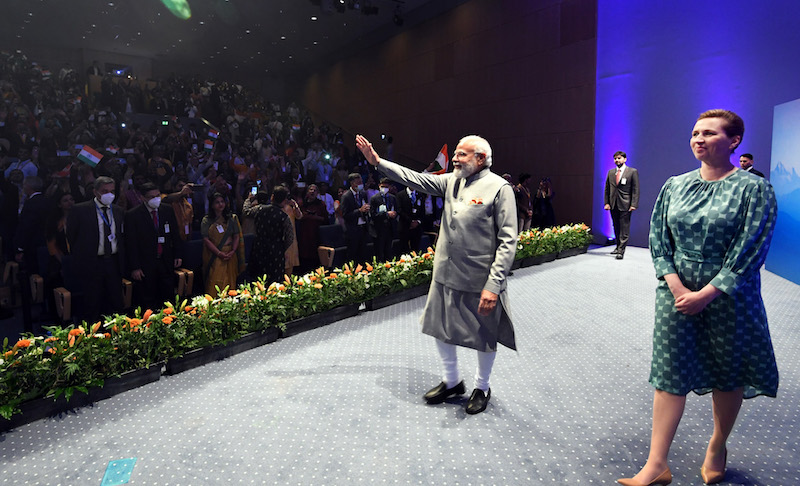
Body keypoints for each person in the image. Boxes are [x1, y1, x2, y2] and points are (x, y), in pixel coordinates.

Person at [617, 110, 778, 486]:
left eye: (709, 133)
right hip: (675, 294)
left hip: (730, 296)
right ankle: (657, 464)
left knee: (728, 371)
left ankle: (717, 446)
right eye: (694, 133)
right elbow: (659, 240)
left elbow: (750, 248)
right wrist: (676, 286)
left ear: (734, 141)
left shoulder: (755, 189)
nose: (698, 139)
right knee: (669, 373)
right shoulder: (675, 185)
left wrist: (707, 293)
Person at [356, 134, 518, 415]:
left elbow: (508, 241)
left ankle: (482, 386)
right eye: (455, 153)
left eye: (462, 154)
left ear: (480, 158)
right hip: (445, 272)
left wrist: (494, 285)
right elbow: (413, 178)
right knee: (440, 327)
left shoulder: (499, 188)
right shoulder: (451, 180)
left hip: (479, 278)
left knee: (484, 333)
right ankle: (452, 381)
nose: (455, 159)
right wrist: (378, 162)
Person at [66, 176, 126, 322]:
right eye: (104, 191)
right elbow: (72, 236)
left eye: (112, 191)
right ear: (95, 191)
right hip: (91, 262)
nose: (109, 194)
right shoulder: (80, 210)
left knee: (115, 302)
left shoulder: (118, 211)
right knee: (92, 303)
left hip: (113, 261)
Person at [125, 182, 184, 310]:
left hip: (165, 260)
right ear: (143, 198)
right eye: (152, 197)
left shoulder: (167, 209)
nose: (156, 199)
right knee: (148, 299)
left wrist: (178, 254)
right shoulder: (133, 215)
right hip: (145, 264)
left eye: (157, 195)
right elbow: (131, 243)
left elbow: (175, 234)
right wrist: (135, 267)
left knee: (168, 297)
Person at [244, 186, 294, 286]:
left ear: (272, 197)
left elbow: (246, 211)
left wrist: (248, 199)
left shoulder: (259, 209)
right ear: (284, 200)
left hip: (259, 248)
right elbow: (290, 237)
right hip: (276, 251)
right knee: (275, 283)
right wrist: (281, 248)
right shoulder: (284, 217)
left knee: (258, 281)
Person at [201, 192, 245, 295]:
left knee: (230, 282)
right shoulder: (206, 221)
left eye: (222, 201)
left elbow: (236, 236)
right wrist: (219, 253)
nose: (220, 204)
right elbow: (206, 240)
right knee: (215, 282)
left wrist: (233, 251)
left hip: (230, 254)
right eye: (217, 202)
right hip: (215, 255)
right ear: (212, 205)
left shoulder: (231, 218)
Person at [604, 151, 639, 259]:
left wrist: (634, 204)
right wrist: (606, 203)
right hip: (613, 204)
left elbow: (635, 189)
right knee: (616, 226)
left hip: (626, 203)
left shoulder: (632, 172)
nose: (617, 160)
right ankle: (618, 246)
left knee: (624, 227)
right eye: (615, 159)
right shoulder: (610, 172)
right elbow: (607, 189)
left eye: (619, 158)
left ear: (625, 159)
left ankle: (621, 250)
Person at [340, 172, 372, 264]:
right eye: (358, 183)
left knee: (363, 253)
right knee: (352, 254)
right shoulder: (346, 196)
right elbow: (346, 215)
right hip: (352, 230)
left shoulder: (363, 194)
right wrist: (359, 210)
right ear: (352, 183)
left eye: (361, 182)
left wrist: (366, 210)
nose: (360, 184)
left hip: (363, 228)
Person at [298, 184, 328, 271]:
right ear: (307, 192)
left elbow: (325, 219)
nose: (312, 191)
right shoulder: (302, 204)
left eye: (315, 190)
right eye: (310, 190)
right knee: (304, 252)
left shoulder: (321, 204)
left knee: (314, 252)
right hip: (304, 232)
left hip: (315, 232)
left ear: (317, 193)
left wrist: (315, 217)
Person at [369, 177, 399, 262]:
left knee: (388, 252)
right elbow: (373, 215)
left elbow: (397, 210)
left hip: (389, 228)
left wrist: (394, 214)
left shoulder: (392, 198)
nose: (384, 188)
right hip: (379, 229)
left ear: (389, 187)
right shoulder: (374, 198)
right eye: (382, 186)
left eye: (386, 186)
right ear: (379, 186)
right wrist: (386, 214)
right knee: (379, 252)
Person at [281, 190, 303, 277]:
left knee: (290, 265)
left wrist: (295, 205)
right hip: (281, 239)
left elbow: (299, 216)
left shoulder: (291, 207)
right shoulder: (278, 207)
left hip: (291, 239)